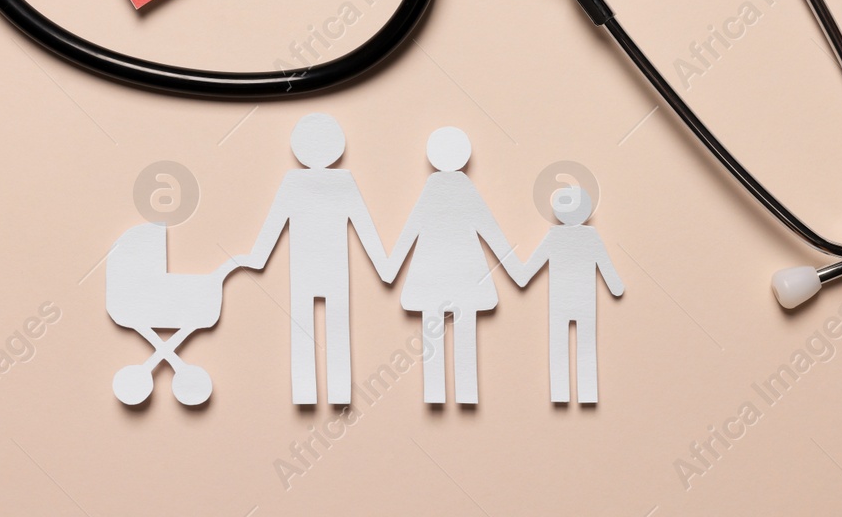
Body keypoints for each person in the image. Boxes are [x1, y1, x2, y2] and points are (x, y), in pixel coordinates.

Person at [238, 113, 392, 404]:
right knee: (336, 329)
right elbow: (364, 226)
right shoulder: (341, 182)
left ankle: (309, 392)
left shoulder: (294, 182)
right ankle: (336, 392)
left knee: (304, 329)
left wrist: (255, 258)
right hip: (332, 270)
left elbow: (272, 227)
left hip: (306, 270)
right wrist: (384, 265)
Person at [384, 126, 521, 404]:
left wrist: (390, 266)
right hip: (464, 276)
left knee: (434, 333)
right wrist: (517, 269)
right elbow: (489, 230)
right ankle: (464, 390)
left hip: (432, 275)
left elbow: (413, 228)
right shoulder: (460, 189)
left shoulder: (437, 189)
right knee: (464, 330)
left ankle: (439, 391)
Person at [514, 185, 624, 403]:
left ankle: (561, 393)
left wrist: (515, 269)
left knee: (559, 347)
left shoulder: (555, 237)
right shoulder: (589, 236)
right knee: (586, 347)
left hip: (560, 303)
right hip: (584, 303)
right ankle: (587, 393)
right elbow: (607, 268)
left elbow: (528, 271)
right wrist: (615, 286)